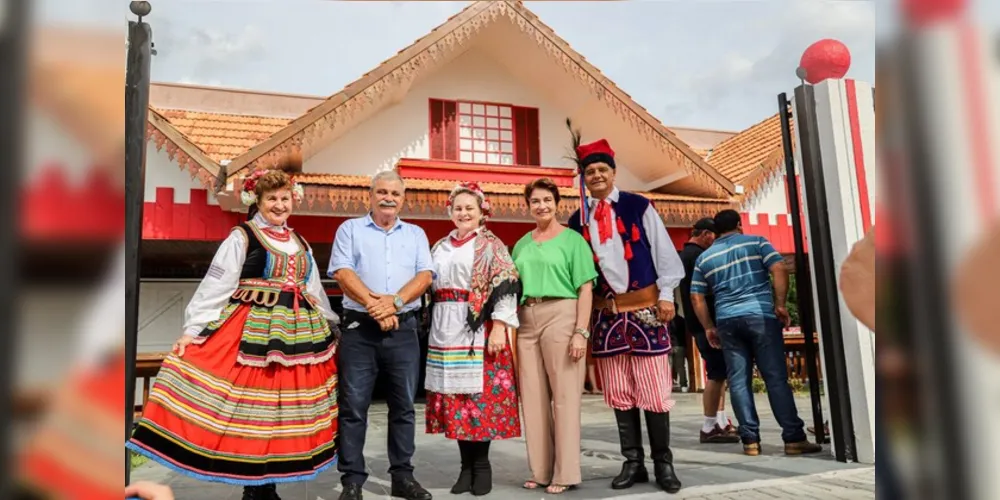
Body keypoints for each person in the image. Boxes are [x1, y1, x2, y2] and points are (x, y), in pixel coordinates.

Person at [128, 157, 341, 500]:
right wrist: (193, 330)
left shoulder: (300, 242)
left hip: (298, 336)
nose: (279, 205)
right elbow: (217, 285)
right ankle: (252, 487)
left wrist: (331, 324)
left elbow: (313, 287)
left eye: (284, 198)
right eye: (272, 199)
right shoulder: (243, 237)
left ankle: (269, 484)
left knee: (279, 414)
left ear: (293, 201)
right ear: (257, 201)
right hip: (252, 333)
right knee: (249, 409)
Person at [565, 131, 685, 494]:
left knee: (654, 389)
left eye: (603, 169)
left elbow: (665, 254)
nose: (597, 176)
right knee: (619, 391)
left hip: (647, 310)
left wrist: (667, 295)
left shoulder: (638, 206)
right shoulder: (577, 220)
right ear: (583, 179)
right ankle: (633, 462)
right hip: (606, 317)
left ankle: (663, 463)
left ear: (613, 173)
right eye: (590, 172)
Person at [328, 170, 435, 500]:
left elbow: (426, 275)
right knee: (353, 406)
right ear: (369, 195)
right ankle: (352, 480)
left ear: (403, 199)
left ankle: (402, 477)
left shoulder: (416, 234)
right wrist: (376, 305)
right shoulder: (350, 229)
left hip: (403, 330)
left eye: (395, 193)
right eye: (382, 191)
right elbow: (343, 273)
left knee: (403, 406)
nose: (389, 197)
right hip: (360, 330)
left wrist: (396, 303)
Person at [690, 209, 822, 457]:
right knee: (775, 378)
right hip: (760, 316)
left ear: (716, 231)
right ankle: (793, 438)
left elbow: (696, 297)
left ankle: (750, 441)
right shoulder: (757, 242)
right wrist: (780, 304)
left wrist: (709, 327)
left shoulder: (705, 258)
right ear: (739, 225)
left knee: (739, 382)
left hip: (727, 321)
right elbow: (779, 268)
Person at [424, 182, 522, 496]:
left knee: (479, 402)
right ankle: (465, 467)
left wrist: (499, 327)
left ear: (482, 212)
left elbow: (506, 285)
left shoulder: (491, 245)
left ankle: (482, 466)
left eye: (470, 208)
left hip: (477, 328)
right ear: (450, 211)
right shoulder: (440, 246)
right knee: (457, 403)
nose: (463, 213)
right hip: (444, 326)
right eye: (458, 208)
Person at [511, 178, 597, 496]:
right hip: (526, 319)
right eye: (535, 201)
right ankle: (541, 470)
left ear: (557, 203)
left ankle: (566, 471)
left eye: (547, 200)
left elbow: (585, 287)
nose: (542, 206)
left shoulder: (574, 241)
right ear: (528, 205)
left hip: (563, 313)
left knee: (564, 397)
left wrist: (581, 332)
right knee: (532, 398)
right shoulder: (521, 244)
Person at [678, 218, 740, 444]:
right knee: (716, 373)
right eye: (713, 237)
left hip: (698, 322)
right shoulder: (698, 257)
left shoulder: (685, 256)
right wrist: (709, 325)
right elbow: (703, 294)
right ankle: (709, 424)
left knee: (720, 372)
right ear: (705, 234)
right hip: (707, 323)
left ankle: (721, 421)